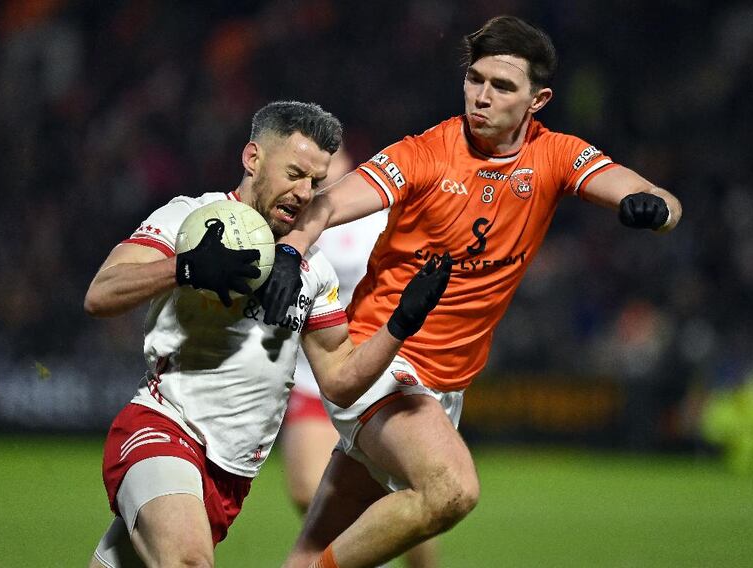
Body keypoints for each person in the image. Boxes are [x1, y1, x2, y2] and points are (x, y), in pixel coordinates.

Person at [260, 16, 683, 568]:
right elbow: (331, 204)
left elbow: (653, 194)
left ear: (539, 98)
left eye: (502, 86)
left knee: (310, 548)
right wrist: (291, 251)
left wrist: (652, 208)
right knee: (451, 489)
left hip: (443, 384)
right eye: (475, 79)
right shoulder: (425, 153)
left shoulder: (554, 156)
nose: (481, 97)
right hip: (380, 360)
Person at [83, 100, 451, 568]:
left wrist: (400, 324)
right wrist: (186, 266)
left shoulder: (312, 266)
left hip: (230, 475)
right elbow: (101, 293)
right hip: (163, 429)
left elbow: (338, 377)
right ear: (253, 158)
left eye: (315, 182)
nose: (304, 192)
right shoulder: (194, 219)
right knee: (188, 561)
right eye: (294, 173)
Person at [280, 146, 439, 567]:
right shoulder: (292, 219)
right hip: (313, 372)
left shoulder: (377, 217)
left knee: (413, 492)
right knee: (306, 491)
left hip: (375, 369)